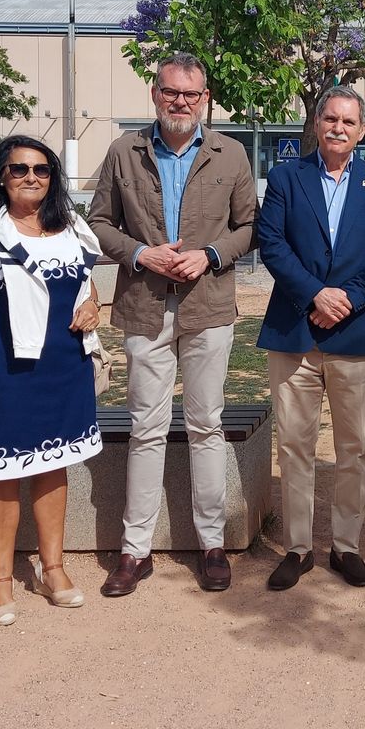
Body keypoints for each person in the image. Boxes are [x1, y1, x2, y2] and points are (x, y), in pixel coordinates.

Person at [87, 53, 257, 596]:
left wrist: (210, 254)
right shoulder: (124, 151)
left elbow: (248, 225)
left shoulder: (231, 153)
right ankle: (134, 551)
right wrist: (141, 254)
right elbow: (97, 223)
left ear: (205, 98)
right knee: (146, 428)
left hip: (209, 307)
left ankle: (212, 544)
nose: (180, 102)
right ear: (155, 94)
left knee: (206, 424)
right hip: (144, 306)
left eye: (190, 93)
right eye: (170, 92)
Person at [0, 136, 104, 624]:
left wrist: (93, 305)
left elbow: (86, 285)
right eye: (19, 169)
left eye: (41, 169)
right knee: (1, 473)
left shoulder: (72, 228)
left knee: (53, 466)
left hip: (64, 370)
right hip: (6, 375)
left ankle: (51, 568)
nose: (31, 178)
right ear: (2, 175)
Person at [257, 87, 365, 590]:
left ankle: (346, 546)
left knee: (352, 448)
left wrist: (348, 298)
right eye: (330, 119)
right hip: (295, 330)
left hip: (355, 333)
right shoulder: (285, 177)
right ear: (317, 123)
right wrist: (315, 294)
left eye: (348, 121)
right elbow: (272, 243)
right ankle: (298, 549)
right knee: (294, 447)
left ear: (362, 131)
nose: (338, 128)